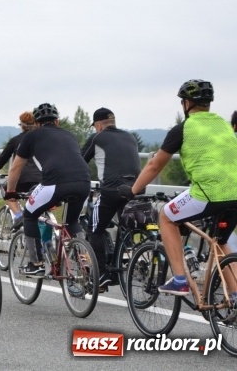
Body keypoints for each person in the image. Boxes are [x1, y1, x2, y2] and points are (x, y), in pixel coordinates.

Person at [125, 80, 237, 295]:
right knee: (221, 242)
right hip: (235, 192)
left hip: (209, 193)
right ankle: (234, 298)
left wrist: (133, 190)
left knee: (167, 216)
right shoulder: (223, 124)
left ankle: (179, 280)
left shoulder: (183, 128)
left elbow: (154, 164)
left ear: (187, 103)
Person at [6, 103, 91, 277]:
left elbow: (15, 169)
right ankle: (85, 259)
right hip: (83, 182)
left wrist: (10, 192)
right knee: (72, 222)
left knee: (29, 215)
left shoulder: (31, 136)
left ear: (36, 123)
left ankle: (36, 264)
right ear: (57, 121)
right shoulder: (70, 135)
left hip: (54, 183)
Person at [80, 107, 142, 289]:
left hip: (111, 190)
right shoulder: (130, 136)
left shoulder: (97, 138)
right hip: (135, 188)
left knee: (94, 229)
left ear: (98, 125)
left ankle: (102, 275)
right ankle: (122, 261)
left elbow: (80, 160)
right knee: (125, 226)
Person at [0, 111, 42, 228]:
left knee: (7, 191)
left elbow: (2, 159)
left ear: (21, 125)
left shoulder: (16, 140)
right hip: (41, 178)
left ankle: (18, 216)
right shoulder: (41, 139)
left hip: (21, 179)